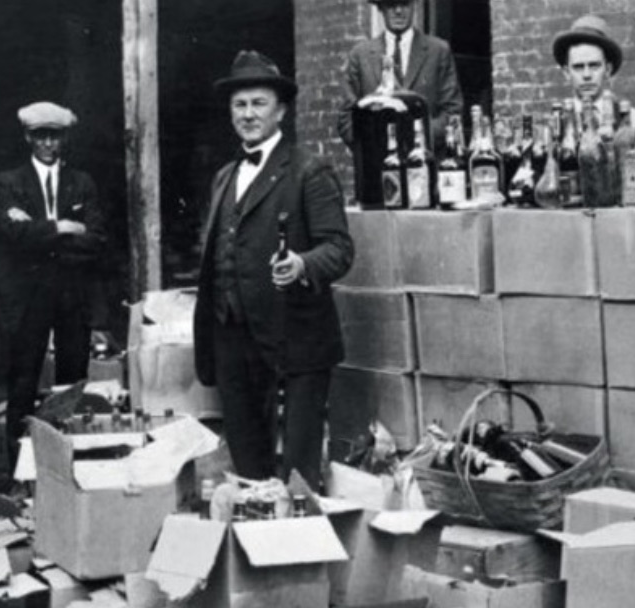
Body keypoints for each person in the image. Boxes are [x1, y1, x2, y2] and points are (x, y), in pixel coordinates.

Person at [194, 51, 354, 493]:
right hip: (232, 335)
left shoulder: (309, 171)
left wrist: (302, 264)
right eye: (239, 105)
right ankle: (255, 530)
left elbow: (339, 249)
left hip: (294, 337)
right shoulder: (225, 176)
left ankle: (300, 532)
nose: (248, 114)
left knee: (299, 475)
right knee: (248, 463)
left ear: (280, 111)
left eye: (258, 103)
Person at [0, 101, 111, 450]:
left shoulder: (82, 182)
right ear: (28, 137)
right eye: (40, 136)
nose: (47, 144)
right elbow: (13, 236)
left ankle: (67, 460)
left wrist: (38, 231)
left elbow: (96, 240)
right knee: (23, 378)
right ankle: (18, 465)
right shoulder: (10, 182)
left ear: (64, 139)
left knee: (72, 380)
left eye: (54, 136)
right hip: (28, 295)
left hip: (73, 294)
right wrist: (63, 226)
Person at [337, 0, 463, 149]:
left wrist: (416, 136)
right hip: (378, 159)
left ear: (414, 6)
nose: (398, 11)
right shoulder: (360, 56)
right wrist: (374, 143)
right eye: (391, 5)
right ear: (381, 8)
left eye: (404, 4)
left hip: (426, 157)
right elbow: (346, 118)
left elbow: (452, 112)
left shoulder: (438, 51)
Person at [553, 14, 624, 114]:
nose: (587, 75)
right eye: (578, 67)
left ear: (607, 69)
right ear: (567, 73)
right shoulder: (557, 121)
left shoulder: (632, 119)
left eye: (594, 66)